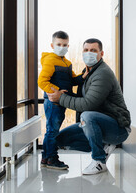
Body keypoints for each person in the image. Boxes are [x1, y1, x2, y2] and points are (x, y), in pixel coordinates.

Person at [47, 38, 131, 175]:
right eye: (86, 50)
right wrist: (61, 94)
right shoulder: (88, 73)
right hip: (99, 123)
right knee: (60, 140)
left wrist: (61, 98)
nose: (89, 53)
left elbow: (88, 104)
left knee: (87, 115)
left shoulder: (102, 73)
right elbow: (82, 99)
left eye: (93, 50)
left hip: (118, 127)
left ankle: (99, 161)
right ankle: (104, 145)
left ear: (101, 54)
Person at [38, 31, 87, 170]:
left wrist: (83, 76)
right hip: (53, 102)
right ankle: (52, 158)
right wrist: (56, 91)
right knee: (52, 131)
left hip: (61, 102)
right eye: (59, 44)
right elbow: (42, 81)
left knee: (52, 130)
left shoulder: (67, 63)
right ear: (52, 45)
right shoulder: (50, 60)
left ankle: (46, 158)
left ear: (68, 46)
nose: (62, 47)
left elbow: (72, 80)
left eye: (64, 45)